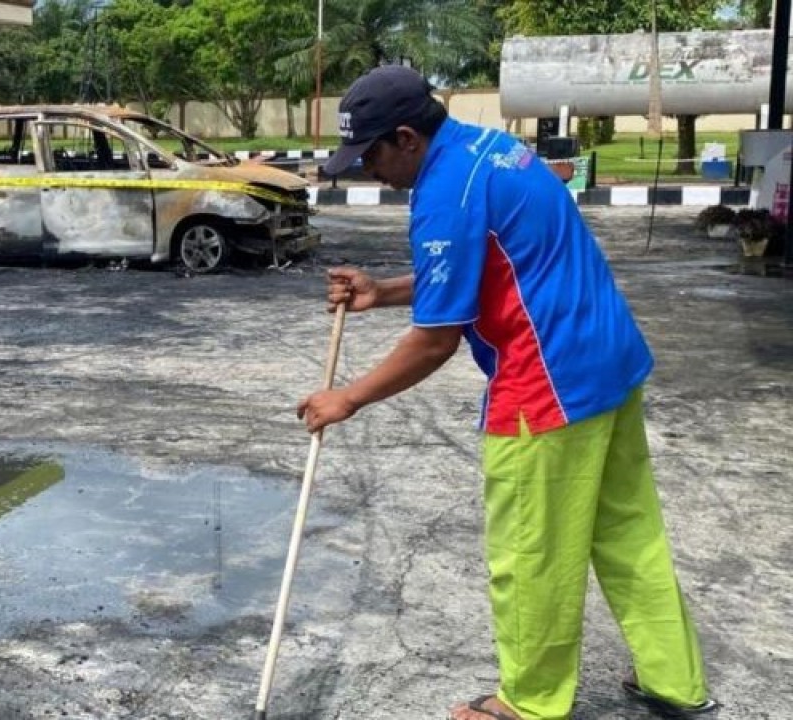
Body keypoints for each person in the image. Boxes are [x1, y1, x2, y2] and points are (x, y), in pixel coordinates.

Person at [296, 65, 717, 720]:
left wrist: (346, 397)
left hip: (547, 385)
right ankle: (675, 678)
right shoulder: (489, 150)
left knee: (531, 554)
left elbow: (435, 341)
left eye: (370, 154)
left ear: (406, 137)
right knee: (630, 531)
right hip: (608, 360)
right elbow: (479, 264)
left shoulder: (443, 192)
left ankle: (529, 702)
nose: (366, 171)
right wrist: (383, 291)